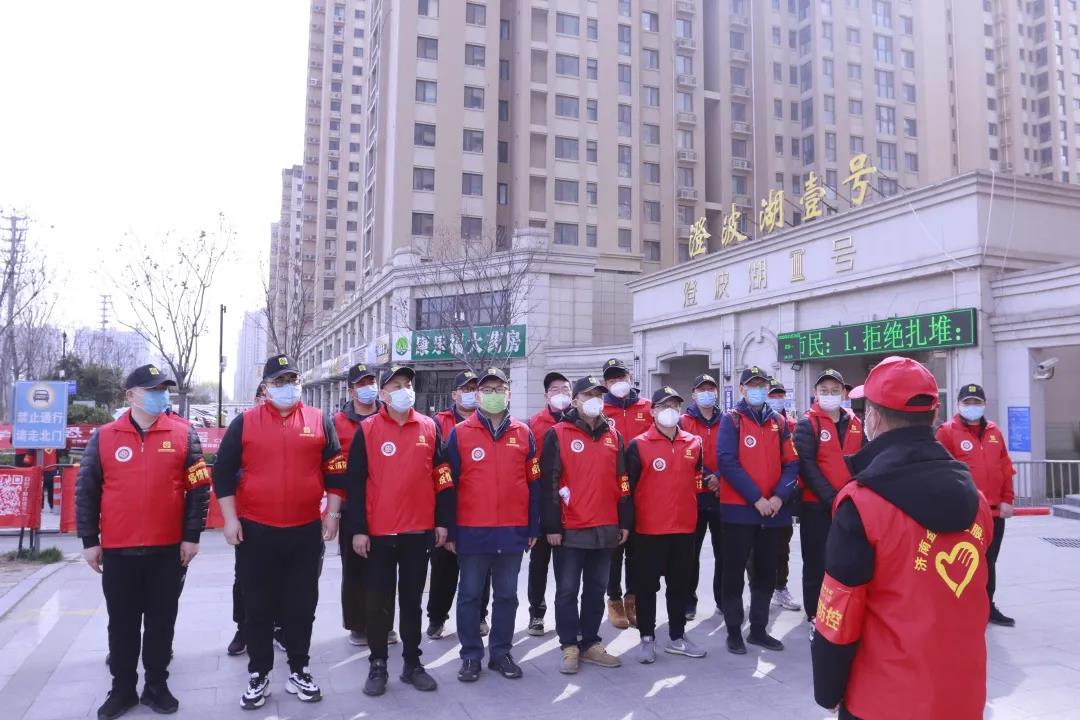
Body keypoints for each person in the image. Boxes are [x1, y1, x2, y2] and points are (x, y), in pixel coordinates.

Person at [812, 356, 993, 719]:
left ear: (874, 418)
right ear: (934, 416)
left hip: (882, 699)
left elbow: (839, 615)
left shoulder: (861, 504)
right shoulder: (977, 501)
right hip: (963, 695)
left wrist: (828, 689)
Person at [76, 364, 211, 720]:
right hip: (118, 550)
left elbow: (199, 488)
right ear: (130, 395)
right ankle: (122, 689)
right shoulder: (105, 437)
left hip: (167, 549)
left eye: (163, 389)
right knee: (121, 624)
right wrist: (89, 539)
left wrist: (192, 536)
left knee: (161, 622)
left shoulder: (183, 434)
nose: (159, 395)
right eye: (152, 389)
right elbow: (86, 491)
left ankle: (156, 685)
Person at [213, 354, 346, 709]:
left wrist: (332, 514)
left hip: (305, 530)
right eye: (280, 381)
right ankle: (259, 673)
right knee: (257, 605)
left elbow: (335, 470)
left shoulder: (319, 420)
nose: (288, 387)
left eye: (293, 380)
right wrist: (230, 519)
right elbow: (221, 473)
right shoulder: (245, 423)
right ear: (266, 387)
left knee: (302, 604)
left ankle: (300, 669)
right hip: (257, 531)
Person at [343, 365, 454, 697]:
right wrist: (358, 529)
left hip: (418, 531)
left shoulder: (429, 427)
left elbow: (443, 475)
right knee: (378, 601)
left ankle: (412, 663)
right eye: (395, 385)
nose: (404, 390)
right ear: (383, 394)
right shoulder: (368, 429)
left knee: (411, 600)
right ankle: (378, 663)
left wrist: (442, 520)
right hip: (379, 532)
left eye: (407, 384)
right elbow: (355, 483)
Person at [445, 368, 539, 682]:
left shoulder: (523, 433)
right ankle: (471, 656)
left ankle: (501, 653)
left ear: (508, 393)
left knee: (507, 596)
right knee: (470, 595)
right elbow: (449, 486)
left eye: (500, 388)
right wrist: (451, 529)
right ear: (478, 394)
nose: (494, 393)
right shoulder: (460, 433)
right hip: (473, 530)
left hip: (512, 530)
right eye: (488, 389)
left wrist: (533, 526)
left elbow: (534, 483)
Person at [541, 375, 632, 675]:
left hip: (606, 527)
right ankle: (569, 644)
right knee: (567, 590)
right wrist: (552, 526)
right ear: (575, 400)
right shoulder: (558, 433)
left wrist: (624, 519)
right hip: (571, 527)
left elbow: (623, 481)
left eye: (598, 395)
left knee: (595, 589)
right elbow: (549, 482)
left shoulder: (613, 436)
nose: (594, 400)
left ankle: (591, 642)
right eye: (588, 395)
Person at [717, 366, 799, 654]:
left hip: (774, 513)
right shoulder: (732, 420)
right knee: (733, 572)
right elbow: (727, 462)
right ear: (741, 389)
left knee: (766, 573)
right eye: (752, 385)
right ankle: (733, 631)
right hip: (739, 511)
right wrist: (756, 499)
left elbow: (792, 463)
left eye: (762, 385)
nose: (758, 389)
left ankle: (759, 629)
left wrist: (778, 497)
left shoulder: (779, 421)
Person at [627, 386, 709, 664]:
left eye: (674, 406)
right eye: (663, 406)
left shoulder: (693, 443)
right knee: (646, 588)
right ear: (652, 411)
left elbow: (696, 477)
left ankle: (677, 637)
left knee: (679, 586)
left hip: (684, 528)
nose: (669, 411)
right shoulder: (638, 445)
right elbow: (628, 489)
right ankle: (646, 638)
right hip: (648, 530)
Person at [936, 383, 1017, 627]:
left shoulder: (994, 432)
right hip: (967, 511)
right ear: (958, 404)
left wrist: (1007, 499)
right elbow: (942, 472)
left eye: (976, 402)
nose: (972, 406)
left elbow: (1005, 467)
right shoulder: (946, 432)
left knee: (989, 561)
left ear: (984, 404)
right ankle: (960, 607)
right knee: (965, 561)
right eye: (967, 402)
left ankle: (987, 605)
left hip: (994, 513)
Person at [333, 363, 399, 646]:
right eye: (361, 383)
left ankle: (384, 624)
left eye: (371, 382)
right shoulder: (337, 423)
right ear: (351, 391)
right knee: (355, 568)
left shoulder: (389, 418)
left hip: (387, 506)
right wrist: (333, 511)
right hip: (352, 506)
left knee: (385, 569)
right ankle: (357, 625)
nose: (367, 387)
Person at [794, 370, 864, 632]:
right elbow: (807, 466)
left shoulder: (856, 422)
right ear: (815, 393)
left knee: (846, 559)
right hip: (816, 506)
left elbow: (864, 460)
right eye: (824, 390)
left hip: (850, 505)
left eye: (835, 390)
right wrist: (832, 498)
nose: (830, 395)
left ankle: (840, 609)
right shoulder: (807, 424)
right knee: (816, 562)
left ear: (844, 393)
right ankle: (814, 613)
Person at [428, 370, 491, 639]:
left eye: (476, 388)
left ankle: (479, 616)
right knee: (443, 566)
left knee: (481, 568)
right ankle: (437, 617)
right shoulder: (438, 423)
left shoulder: (490, 421)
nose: (471, 393)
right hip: (446, 504)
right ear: (454, 395)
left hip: (480, 508)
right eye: (466, 389)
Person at [600, 358, 652, 629]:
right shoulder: (600, 409)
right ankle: (614, 599)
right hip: (612, 489)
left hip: (643, 487)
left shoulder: (647, 407)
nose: (617, 383)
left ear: (630, 377)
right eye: (611, 379)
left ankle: (633, 597)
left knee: (637, 548)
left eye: (621, 377)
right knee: (615, 547)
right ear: (605, 383)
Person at [525, 371, 572, 636]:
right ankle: (536, 614)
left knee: (567, 568)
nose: (561, 394)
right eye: (555, 390)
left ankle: (566, 617)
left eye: (565, 389)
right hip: (543, 504)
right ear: (546, 395)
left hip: (571, 509)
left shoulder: (578, 422)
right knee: (539, 564)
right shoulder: (534, 424)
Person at [678, 373, 724, 620]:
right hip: (694, 496)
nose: (707, 393)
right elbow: (682, 454)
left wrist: (720, 477)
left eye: (710, 389)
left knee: (724, 553)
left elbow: (733, 453)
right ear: (693, 394)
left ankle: (723, 600)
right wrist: (707, 477)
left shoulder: (728, 421)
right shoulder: (683, 422)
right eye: (701, 389)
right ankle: (688, 600)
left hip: (722, 495)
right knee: (690, 553)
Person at [226, 385, 267, 658]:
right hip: (249, 517)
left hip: (287, 520)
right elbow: (226, 471)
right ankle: (243, 628)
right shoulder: (244, 427)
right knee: (245, 578)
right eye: (264, 395)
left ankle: (279, 628)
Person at [763, 379, 802, 613]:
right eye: (772, 395)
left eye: (780, 395)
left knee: (782, 547)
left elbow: (795, 461)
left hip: (784, 494)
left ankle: (780, 588)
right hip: (759, 498)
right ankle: (760, 591)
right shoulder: (756, 421)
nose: (777, 399)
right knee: (757, 550)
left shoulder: (793, 425)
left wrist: (783, 493)